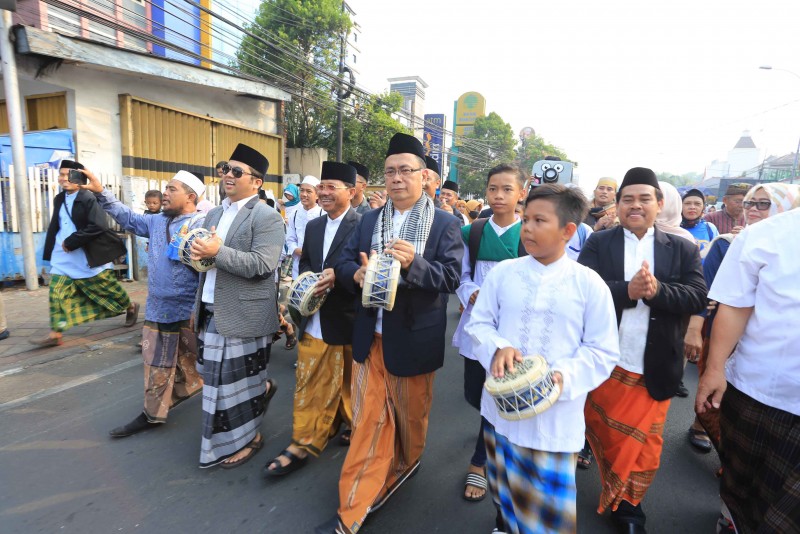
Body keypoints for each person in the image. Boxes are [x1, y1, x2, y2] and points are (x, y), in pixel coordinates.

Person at [318, 133, 462, 534]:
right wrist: (355, 274)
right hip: (371, 336)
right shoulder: (369, 220)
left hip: (414, 338)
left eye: (405, 171)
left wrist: (415, 263)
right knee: (369, 423)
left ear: (424, 176)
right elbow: (343, 263)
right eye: (390, 171)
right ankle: (352, 509)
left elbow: (450, 278)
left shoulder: (445, 224)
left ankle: (406, 463)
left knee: (410, 419)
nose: (397, 178)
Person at [467, 184, 620, 534]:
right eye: (525, 220)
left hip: (555, 417)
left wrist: (563, 377)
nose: (528, 228)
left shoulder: (589, 284)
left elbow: (602, 350)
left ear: (568, 230)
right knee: (504, 494)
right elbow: (479, 324)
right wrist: (498, 348)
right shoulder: (504, 273)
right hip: (502, 411)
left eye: (539, 221)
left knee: (547, 518)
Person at [577, 167, 706, 534]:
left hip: (655, 363)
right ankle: (605, 480)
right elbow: (581, 291)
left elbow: (697, 295)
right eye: (628, 199)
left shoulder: (681, 247)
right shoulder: (598, 243)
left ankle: (629, 506)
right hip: (605, 360)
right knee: (606, 432)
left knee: (645, 443)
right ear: (617, 205)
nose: (635, 205)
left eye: (644, 199)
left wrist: (657, 291)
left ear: (659, 203)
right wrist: (626, 291)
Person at [696, 195, 800, 534]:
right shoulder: (764, 236)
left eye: (763, 202)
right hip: (757, 389)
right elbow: (734, 305)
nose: (754, 208)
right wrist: (714, 370)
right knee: (743, 489)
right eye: (751, 202)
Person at [84, 170, 206, 438]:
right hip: (159, 308)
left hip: (192, 311)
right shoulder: (155, 221)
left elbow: (209, 270)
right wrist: (100, 191)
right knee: (156, 363)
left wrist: (200, 309)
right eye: (166, 188)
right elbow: (126, 217)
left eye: (172, 189)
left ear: (190, 197)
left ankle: (251, 390)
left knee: (209, 360)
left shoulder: (204, 224)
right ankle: (152, 413)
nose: (165, 193)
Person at [190, 144, 285, 469]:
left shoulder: (267, 216)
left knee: (236, 387)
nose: (228, 175)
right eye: (225, 169)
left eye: (237, 171)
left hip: (245, 313)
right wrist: (196, 255)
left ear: (256, 182)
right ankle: (262, 391)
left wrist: (217, 252)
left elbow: (262, 265)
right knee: (214, 380)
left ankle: (250, 439)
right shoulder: (213, 214)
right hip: (209, 308)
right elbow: (205, 261)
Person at [265, 161, 361, 477]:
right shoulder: (315, 226)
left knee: (348, 383)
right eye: (322, 186)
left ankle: (348, 423)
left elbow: (366, 273)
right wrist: (309, 283)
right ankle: (302, 442)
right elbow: (305, 262)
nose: (324, 192)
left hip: (347, 319)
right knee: (308, 381)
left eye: (332, 187)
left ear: (351, 192)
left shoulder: (363, 225)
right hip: (312, 316)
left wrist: (339, 279)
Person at [452, 164, 526, 503]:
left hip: (512, 332)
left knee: (496, 394)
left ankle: (479, 462)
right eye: (493, 188)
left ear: (521, 193)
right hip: (478, 327)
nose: (499, 195)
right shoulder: (473, 232)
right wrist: (472, 293)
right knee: (474, 393)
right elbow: (462, 275)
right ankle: (489, 427)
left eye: (507, 189)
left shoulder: (529, 232)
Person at [32, 160, 139, 347]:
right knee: (56, 292)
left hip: (86, 255)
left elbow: (98, 225)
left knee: (106, 289)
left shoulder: (88, 198)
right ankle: (55, 332)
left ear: (79, 177)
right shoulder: (59, 198)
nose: (63, 179)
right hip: (62, 256)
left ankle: (130, 306)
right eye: (61, 175)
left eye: (68, 175)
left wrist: (72, 241)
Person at [285, 175, 323, 279]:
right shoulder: (294, 214)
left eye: (309, 191)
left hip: (318, 269)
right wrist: (296, 249)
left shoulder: (323, 214)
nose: (304, 194)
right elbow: (290, 238)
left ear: (317, 195)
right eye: (302, 190)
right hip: (298, 268)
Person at [680, 188, 718, 256]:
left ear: (703, 207)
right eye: (687, 203)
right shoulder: (672, 227)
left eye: (697, 204)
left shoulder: (710, 228)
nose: (692, 207)